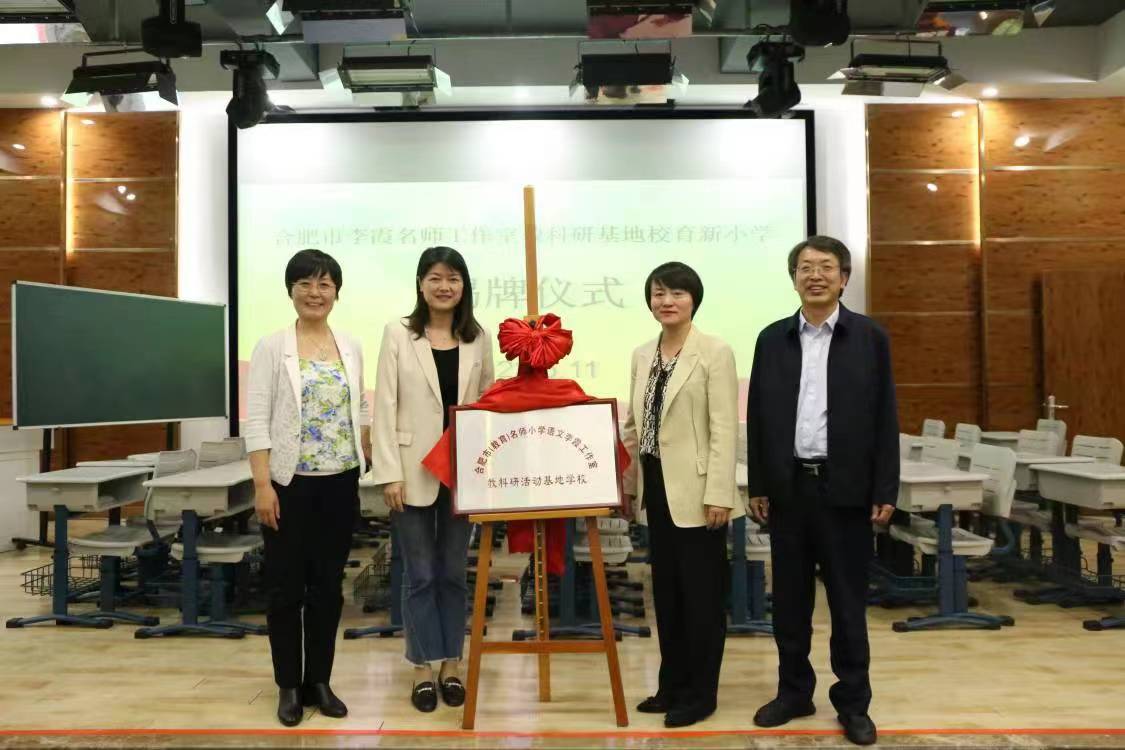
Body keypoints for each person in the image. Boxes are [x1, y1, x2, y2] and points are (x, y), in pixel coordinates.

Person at [746, 235, 898, 746]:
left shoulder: (869, 337)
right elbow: (759, 416)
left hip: (847, 491)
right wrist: (760, 482)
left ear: (844, 278)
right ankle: (794, 693)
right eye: (805, 267)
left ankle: (853, 703)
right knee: (790, 603)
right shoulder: (772, 339)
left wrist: (885, 486)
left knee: (848, 605)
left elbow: (886, 416)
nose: (815, 275)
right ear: (794, 278)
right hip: (789, 490)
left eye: (826, 267)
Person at [246, 249, 370, 727]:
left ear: (336, 292)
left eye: (324, 284)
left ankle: (319, 679)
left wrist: (369, 447)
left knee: (327, 588)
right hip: (288, 485)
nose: (315, 293)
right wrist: (263, 485)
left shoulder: (350, 345)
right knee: (285, 589)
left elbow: (360, 407)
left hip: (340, 483)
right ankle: (288, 686)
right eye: (305, 284)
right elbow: (257, 419)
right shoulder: (271, 346)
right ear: (291, 291)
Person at [371, 246, 495, 712]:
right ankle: (422, 666)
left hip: (462, 473)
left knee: (453, 574)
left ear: (464, 286)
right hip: (411, 471)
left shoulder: (478, 338)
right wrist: (388, 473)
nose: (445, 286)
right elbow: (384, 405)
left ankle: (451, 665)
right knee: (419, 574)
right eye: (435, 278)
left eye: (453, 278)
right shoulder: (399, 334)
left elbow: (487, 405)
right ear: (421, 285)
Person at [620, 261, 741, 728]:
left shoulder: (715, 351)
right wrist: (627, 486)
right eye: (658, 293)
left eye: (677, 293)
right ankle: (671, 685)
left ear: (694, 299)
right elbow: (634, 426)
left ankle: (700, 694)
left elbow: (724, 428)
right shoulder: (641, 353)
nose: (666, 301)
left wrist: (720, 494)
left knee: (702, 599)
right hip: (655, 488)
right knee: (667, 596)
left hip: (698, 492)